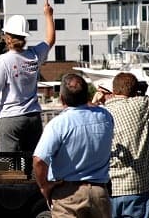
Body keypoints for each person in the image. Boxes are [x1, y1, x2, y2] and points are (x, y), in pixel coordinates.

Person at [0, 0, 55, 154]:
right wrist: (48, 15)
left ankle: (12, 180)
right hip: (33, 116)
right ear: (24, 37)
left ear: (7, 38)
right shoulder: (34, 55)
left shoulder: (3, 61)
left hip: (10, 117)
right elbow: (50, 40)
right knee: (31, 160)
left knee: (8, 162)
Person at [33, 73, 114, 218]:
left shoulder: (58, 124)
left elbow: (39, 160)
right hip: (99, 192)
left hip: (68, 194)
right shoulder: (105, 117)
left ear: (62, 99)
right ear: (86, 95)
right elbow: (91, 109)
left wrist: (44, 186)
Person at [104, 72, 149, 218]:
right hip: (136, 184)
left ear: (114, 90)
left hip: (110, 186)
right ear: (135, 91)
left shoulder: (103, 110)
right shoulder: (141, 104)